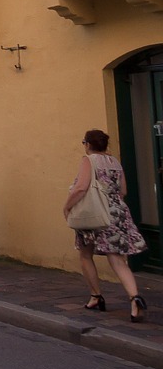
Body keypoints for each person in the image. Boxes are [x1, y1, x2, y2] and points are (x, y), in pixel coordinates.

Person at [63, 129, 147, 322]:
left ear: (87, 144)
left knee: (85, 254)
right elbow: (123, 190)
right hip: (117, 213)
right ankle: (135, 298)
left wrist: (66, 207)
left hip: (93, 213)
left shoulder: (88, 161)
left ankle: (96, 296)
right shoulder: (115, 162)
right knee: (117, 259)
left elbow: (81, 188)